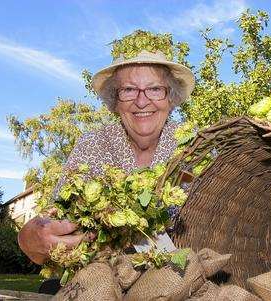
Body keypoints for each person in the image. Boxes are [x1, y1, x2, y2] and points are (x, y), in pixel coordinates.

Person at [18, 49, 195, 264]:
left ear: (170, 98)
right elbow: (55, 217)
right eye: (129, 90)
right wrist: (29, 238)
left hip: (185, 275)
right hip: (104, 277)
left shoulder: (194, 146)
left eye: (155, 89)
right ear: (115, 101)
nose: (141, 101)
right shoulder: (93, 144)